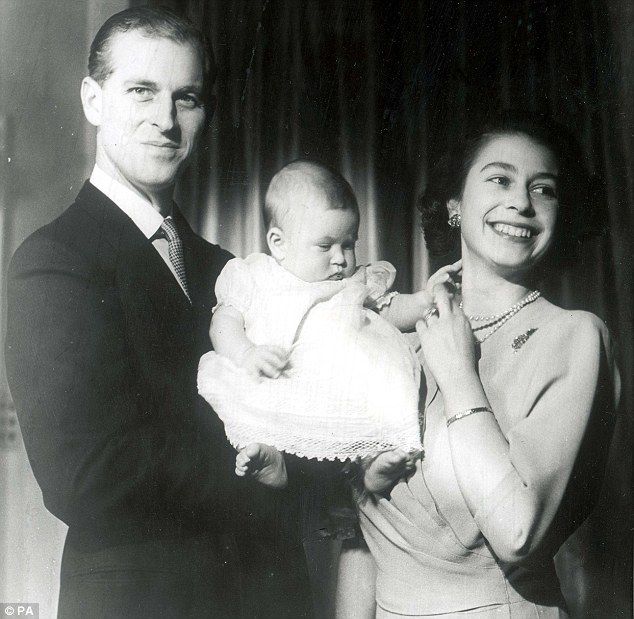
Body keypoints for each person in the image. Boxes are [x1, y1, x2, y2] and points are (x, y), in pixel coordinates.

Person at [4, 7, 310, 618]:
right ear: (93, 100)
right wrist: (259, 464)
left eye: (187, 98)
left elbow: (307, 419)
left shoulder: (231, 270)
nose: (165, 121)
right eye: (141, 91)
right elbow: (80, 474)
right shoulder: (55, 259)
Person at [354, 112, 620, 617]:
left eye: (544, 190)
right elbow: (356, 531)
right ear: (455, 205)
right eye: (500, 179)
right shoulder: (395, 334)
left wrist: (459, 377)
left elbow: (518, 535)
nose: (521, 203)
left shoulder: (575, 337)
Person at [199, 160, 460, 471]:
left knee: (379, 404)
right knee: (246, 404)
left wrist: (424, 299)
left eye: (348, 245)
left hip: (344, 387)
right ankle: (272, 457)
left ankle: (372, 468)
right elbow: (223, 324)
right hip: (282, 379)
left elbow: (389, 310)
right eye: (325, 246)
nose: (340, 259)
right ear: (278, 243)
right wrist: (246, 353)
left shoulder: (353, 283)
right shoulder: (255, 276)